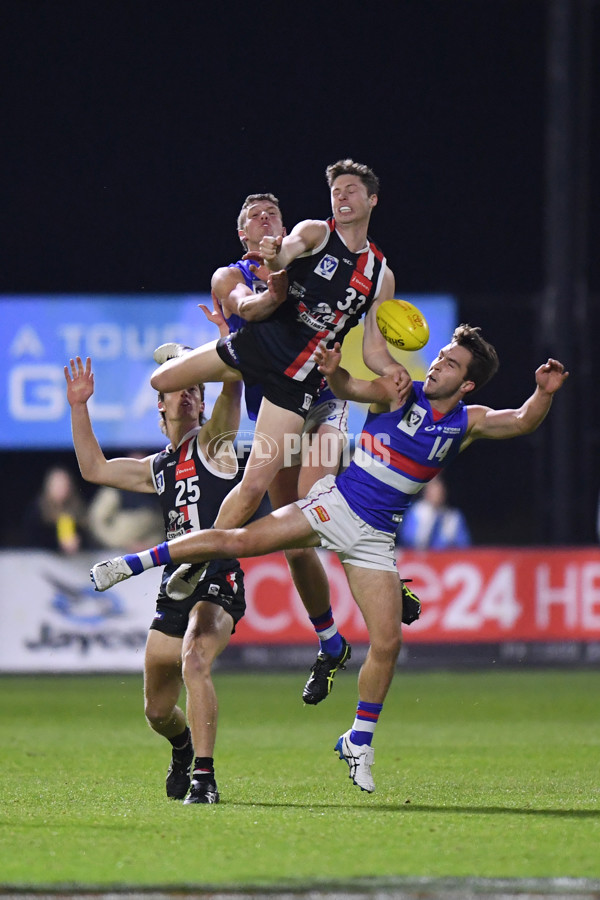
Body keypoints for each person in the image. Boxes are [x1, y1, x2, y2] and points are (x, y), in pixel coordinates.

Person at [90, 325, 569, 794]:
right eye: (441, 355)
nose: (439, 364)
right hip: (333, 505)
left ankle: (358, 740)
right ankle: (135, 563)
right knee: (241, 539)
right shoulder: (401, 389)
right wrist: (335, 371)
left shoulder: (469, 420)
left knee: (388, 644)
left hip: (375, 537)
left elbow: (523, 420)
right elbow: (352, 387)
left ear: (466, 383)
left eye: (450, 362)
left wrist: (543, 392)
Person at [148, 159, 412, 591]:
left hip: (298, 380)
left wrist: (392, 369)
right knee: (161, 381)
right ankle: (187, 357)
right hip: (258, 345)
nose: (342, 196)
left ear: (372, 200)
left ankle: (196, 558)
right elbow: (286, 251)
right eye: (336, 190)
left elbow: (373, 347)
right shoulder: (315, 232)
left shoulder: (381, 276)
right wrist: (276, 256)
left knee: (257, 488)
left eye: (351, 190)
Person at [168, 192, 355, 704]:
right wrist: (250, 313)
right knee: (294, 544)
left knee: (317, 505)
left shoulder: (304, 259)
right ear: (242, 235)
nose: (266, 218)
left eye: (272, 212)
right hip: (274, 409)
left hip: (320, 402)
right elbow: (248, 306)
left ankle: (199, 559)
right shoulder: (229, 277)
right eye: (254, 216)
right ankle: (330, 643)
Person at [65, 336, 250, 806]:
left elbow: (233, 385)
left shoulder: (215, 443)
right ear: (161, 407)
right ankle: (182, 747)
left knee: (195, 660)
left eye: (195, 389)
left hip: (218, 575)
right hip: (175, 585)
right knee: (157, 710)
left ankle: (204, 779)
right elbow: (93, 469)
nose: (187, 394)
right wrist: (79, 406)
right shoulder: (159, 467)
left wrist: (231, 332)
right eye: (177, 389)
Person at [87, 452, 165, 551]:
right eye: (135, 466)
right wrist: (120, 543)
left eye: (144, 466)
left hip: (150, 553)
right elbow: (97, 521)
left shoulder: (156, 491)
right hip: (114, 552)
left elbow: (161, 526)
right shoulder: (114, 489)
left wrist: (148, 544)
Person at [21, 466, 89, 554]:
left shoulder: (78, 509)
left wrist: (78, 542)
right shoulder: (38, 511)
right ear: (49, 486)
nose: (61, 489)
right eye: (57, 485)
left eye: (64, 485)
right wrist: (57, 543)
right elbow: (31, 540)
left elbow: (88, 537)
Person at [396, 473, 471, 549]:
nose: (437, 494)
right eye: (433, 489)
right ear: (426, 492)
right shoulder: (416, 512)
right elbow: (407, 539)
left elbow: (464, 544)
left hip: (444, 557)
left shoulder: (453, 516)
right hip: (418, 556)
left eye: (439, 490)